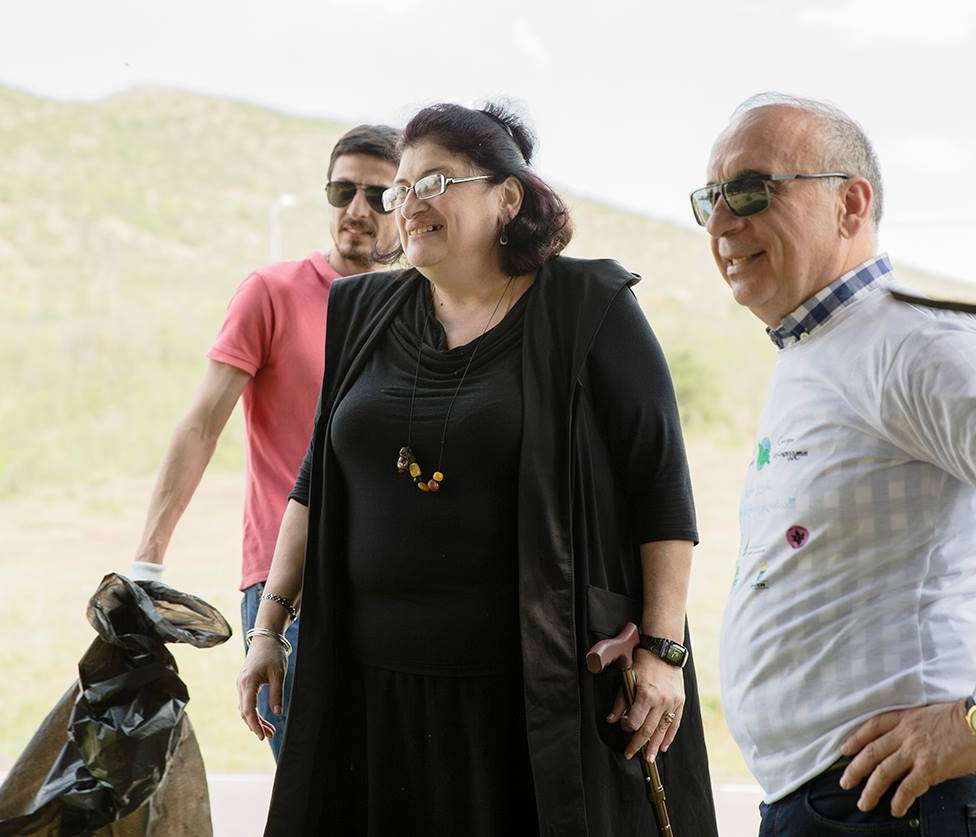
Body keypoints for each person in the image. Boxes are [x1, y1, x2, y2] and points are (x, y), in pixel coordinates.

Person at [236, 101, 719, 836]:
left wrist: (663, 650)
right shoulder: (361, 308)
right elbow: (317, 482)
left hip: (530, 696)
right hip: (374, 692)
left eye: (434, 182)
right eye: (401, 189)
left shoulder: (586, 305)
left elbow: (660, 487)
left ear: (507, 198)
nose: (408, 204)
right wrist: (268, 629)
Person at [697, 93, 976, 835]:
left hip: (905, 804)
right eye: (708, 200)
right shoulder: (825, 348)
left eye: (747, 191)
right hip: (850, 802)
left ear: (850, 204)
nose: (719, 224)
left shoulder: (911, 341)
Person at [127, 123, 400, 759]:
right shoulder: (272, 294)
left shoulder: (423, 303)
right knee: (310, 784)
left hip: (391, 582)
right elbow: (201, 425)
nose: (357, 211)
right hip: (288, 588)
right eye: (342, 192)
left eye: (378, 196)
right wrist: (147, 565)